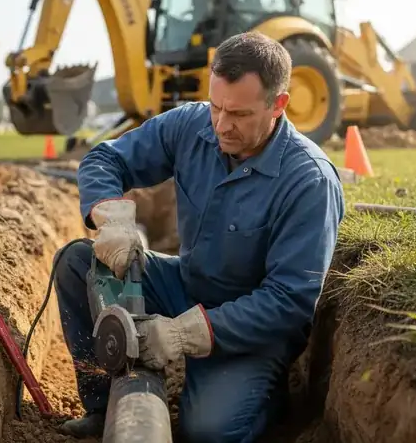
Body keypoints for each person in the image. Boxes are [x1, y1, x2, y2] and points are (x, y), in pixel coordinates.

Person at [53, 31, 345, 442]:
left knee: (208, 431)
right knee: (78, 263)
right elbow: (106, 157)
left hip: (250, 330)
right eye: (217, 106)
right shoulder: (192, 124)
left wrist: (181, 334)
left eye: (239, 114)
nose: (222, 125)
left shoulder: (309, 181)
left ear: (278, 105)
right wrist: (111, 216)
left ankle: (268, 399)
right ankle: (104, 409)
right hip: (187, 284)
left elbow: (289, 301)